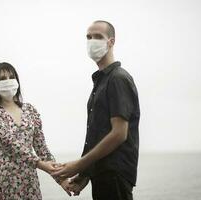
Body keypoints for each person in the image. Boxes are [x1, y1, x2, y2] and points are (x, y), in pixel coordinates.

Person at [52, 20, 140, 200]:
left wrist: (78, 165)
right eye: (88, 37)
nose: (92, 41)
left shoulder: (118, 79)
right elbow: (99, 134)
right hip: (103, 175)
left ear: (111, 41)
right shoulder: (101, 82)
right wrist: (86, 174)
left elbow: (119, 134)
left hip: (115, 175)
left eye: (98, 36)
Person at [0, 62, 69, 200]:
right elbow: (11, 143)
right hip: (0, 182)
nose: (8, 81)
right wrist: (39, 164)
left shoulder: (30, 111)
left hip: (28, 183)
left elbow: (42, 149)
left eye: (11, 77)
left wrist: (61, 179)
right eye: (2, 79)